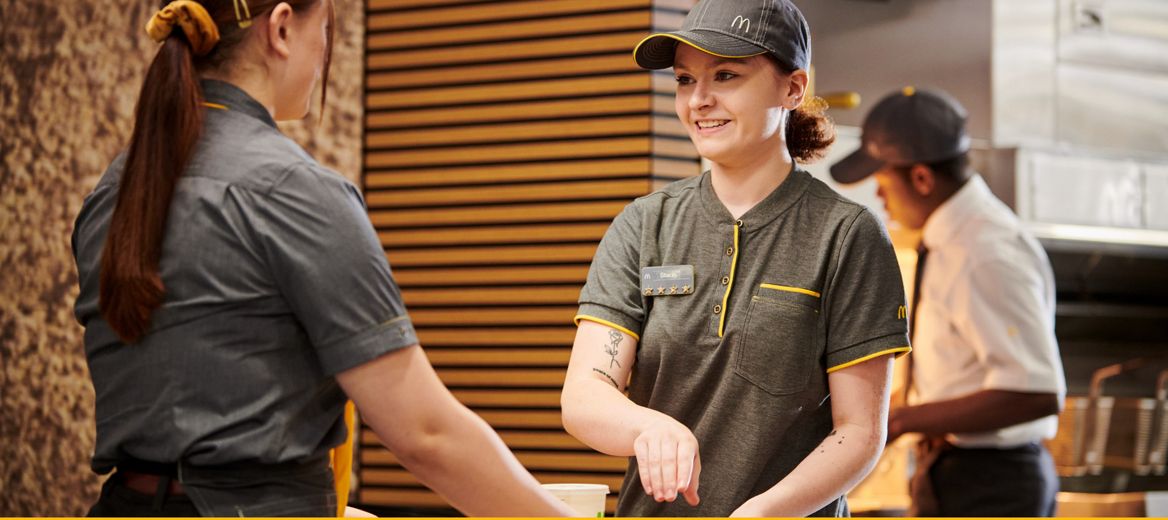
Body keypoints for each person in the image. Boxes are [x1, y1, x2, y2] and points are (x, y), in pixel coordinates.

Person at [71, 0, 574, 517]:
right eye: (327, 31)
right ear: (283, 27)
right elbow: (425, 434)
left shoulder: (114, 189)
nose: (325, 54)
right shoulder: (293, 190)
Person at [559, 0, 911, 516]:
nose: (699, 100)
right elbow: (584, 395)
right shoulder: (644, 225)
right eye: (684, 80)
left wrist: (765, 511)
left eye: (725, 75)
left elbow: (858, 432)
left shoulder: (847, 233)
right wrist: (648, 425)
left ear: (793, 88)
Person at [829, 87, 1066, 516]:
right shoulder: (951, 241)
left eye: (883, 182)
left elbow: (1037, 392)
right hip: (960, 473)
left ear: (921, 178)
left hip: (991, 483)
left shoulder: (985, 250)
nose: (880, 198)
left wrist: (902, 421)